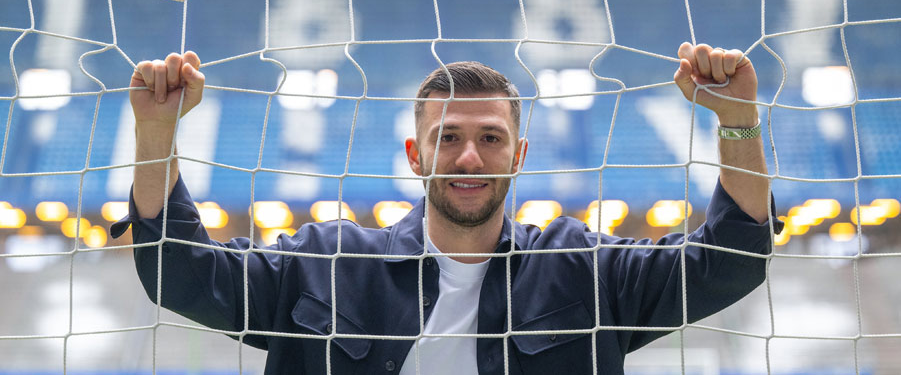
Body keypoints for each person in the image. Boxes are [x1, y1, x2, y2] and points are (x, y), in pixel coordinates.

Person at [112, 43, 782, 374]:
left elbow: (730, 261)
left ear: (518, 155)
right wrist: (156, 132)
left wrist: (737, 119)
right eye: (448, 138)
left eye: (489, 139)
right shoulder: (325, 261)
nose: (468, 158)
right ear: (415, 153)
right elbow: (182, 274)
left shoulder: (583, 266)